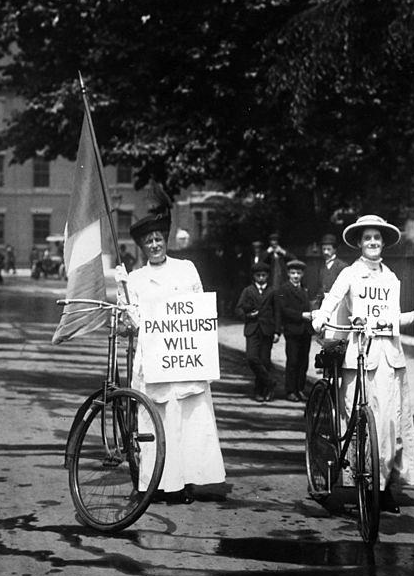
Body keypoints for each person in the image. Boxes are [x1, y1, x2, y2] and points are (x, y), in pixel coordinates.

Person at [310, 214, 414, 513]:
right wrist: (321, 316)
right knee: (359, 422)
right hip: (361, 355)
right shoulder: (350, 274)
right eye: (367, 238)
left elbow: (394, 319)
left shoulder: (390, 278)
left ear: (383, 243)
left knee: (391, 424)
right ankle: (363, 484)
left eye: (377, 238)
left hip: (389, 357)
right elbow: (332, 300)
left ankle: (383, 487)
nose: (372, 243)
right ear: (359, 243)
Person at [117, 208, 226, 504]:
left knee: (188, 422)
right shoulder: (135, 280)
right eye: (148, 241)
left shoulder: (186, 269)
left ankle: (186, 481)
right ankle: (152, 483)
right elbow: (133, 321)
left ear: (165, 240)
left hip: (184, 360)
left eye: (158, 239)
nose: (154, 245)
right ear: (142, 247)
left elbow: (199, 307)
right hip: (153, 364)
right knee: (155, 422)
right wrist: (126, 306)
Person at [235, 261, 280, 402]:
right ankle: (270, 381)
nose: (261, 278)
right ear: (254, 276)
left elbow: (278, 312)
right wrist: (247, 315)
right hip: (252, 329)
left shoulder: (273, 291)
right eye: (258, 275)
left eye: (264, 275)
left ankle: (261, 391)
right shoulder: (248, 291)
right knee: (251, 358)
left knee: (265, 361)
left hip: (267, 330)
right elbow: (238, 309)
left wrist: (278, 331)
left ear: (267, 276)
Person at [274, 259, 312, 402]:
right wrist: (301, 315)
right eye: (293, 273)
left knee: (304, 362)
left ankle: (300, 389)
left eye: (298, 273)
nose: (296, 276)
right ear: (288, 274)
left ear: (302, 274)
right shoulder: (283, 290)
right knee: (293, 362)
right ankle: (290, 390)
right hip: (293, 330)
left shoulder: (305, 289)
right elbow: (283, 310)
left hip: (305, 331)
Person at [311, 233, 349, 310]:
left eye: (328, 249)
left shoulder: (342, 266)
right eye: (324, 249)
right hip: (324, 303)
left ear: (334, 250)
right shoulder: (321, 266)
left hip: (338, 304)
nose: (325, 252)